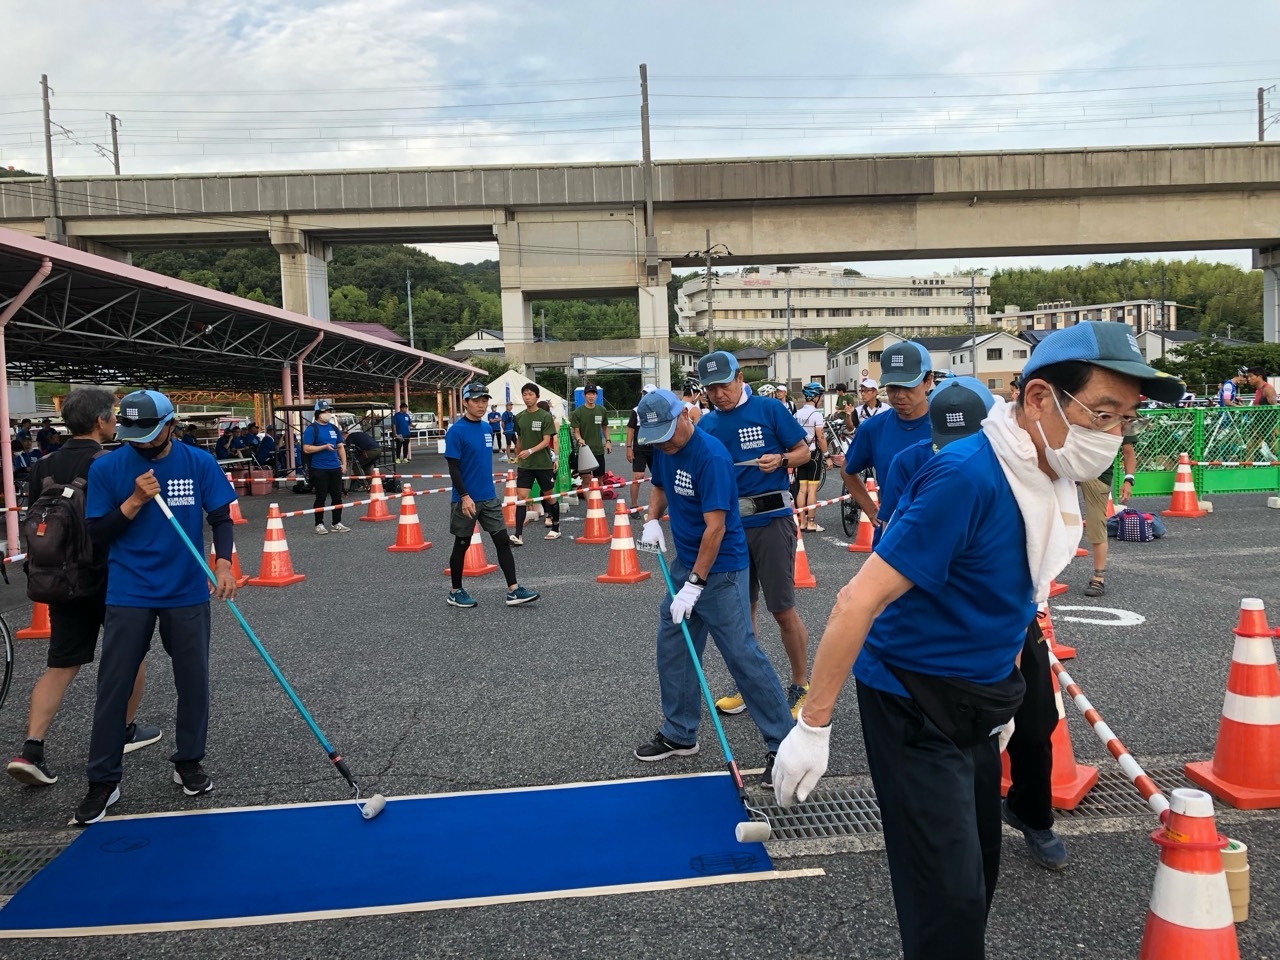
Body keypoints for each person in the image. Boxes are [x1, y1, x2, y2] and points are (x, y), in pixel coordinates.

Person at [773, 322, 1185, 960]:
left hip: (981, 699)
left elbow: (1013, 592)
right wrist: (814, 725)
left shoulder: (1045, 467)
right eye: (1102, 413)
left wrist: (1007, 694)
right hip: (914, 700)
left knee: (981, 872)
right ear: (1041, 398)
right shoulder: (968, 475)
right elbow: (858, 598)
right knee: (949, 898)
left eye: (1125, 417)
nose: (1114, 433)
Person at [74, 389, 240, 824]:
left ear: (171, 424)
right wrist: (133, 502)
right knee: (115, 685)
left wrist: (223, 563)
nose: (142, 442)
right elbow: (97, 532)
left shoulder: (197, 462)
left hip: (186, 589)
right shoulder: (108, 467)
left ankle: (189, 760)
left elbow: (221, 517)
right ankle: (103, 780)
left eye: (150, 433)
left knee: (193, 680)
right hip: (129, 592)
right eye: (133, 434)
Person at [6, 388, 163, 790]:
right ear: (101, 422)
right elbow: (128, 518)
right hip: (111, 576)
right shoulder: (111, 463)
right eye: (113, 416)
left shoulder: (44, 465)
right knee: (131, 656)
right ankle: (124, 731)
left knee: (60, 665)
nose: (116, 423)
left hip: (60, 578)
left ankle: (31, 749)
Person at [633, 389, 793, 783]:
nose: (665, 443)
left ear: (686, 415)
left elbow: (717, 528)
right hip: (684, 564)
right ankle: (679, 733)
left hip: (719, 571)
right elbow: (658, 485)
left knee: (742, 655)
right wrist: (653, 519)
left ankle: (785, 745)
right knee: (674, 646)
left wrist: (694, 584)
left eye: (669, 432)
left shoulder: (712, 456)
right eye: (656, 438)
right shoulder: (663, 447)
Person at [697, 351, 813, 720]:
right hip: (730, 527)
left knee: (782, 609)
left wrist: (780, 460)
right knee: (740, 613)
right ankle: (749, 683)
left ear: (740, 377)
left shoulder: (769, 409)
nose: (719, 394)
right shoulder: (707, 425)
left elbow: (803, 452)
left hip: (772, 519)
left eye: (724, 384)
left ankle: (800, 684)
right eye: (711, 388)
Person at [444, 382, 539, 609]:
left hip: (488, 497)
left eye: (484, 400)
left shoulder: (487, 429)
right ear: (465, 402)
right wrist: (465, 496)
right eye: (475, 400)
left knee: (502, 541)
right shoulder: (456, 431)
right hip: (465, 499)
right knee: (462, 543)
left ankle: (513, 590)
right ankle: (455, 591)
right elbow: (453, 468)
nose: (480, 404)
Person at [841, 342, 935, 545]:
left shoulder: (945, 426)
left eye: (908, 385)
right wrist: (872, 509)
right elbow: (847, 470)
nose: (899, 395)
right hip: (891, 532)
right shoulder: (874, 428)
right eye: (892, 387)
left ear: (928, 380)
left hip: (940, 532)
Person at [877, 377, 996, 529]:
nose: (959, 454)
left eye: (970, 444)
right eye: (948, 445)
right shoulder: (908, 460)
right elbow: (891, 527)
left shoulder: (1010, 458)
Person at [1078, 436, 1138, 598]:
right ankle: (1044, 576)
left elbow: (1128, 451)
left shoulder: (1120, 415)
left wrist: (1128, 480)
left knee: (1096, 523)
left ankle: (1098, 577)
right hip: (1067, 467)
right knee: (1054, 518)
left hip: (1097, 474)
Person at [511, 383, 560, 543]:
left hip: (543, 464)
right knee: (521, 497)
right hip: (525, 466)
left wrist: (531, 451)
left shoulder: (545, 416)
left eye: (530, 394)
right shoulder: (519, 417)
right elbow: (520, 438)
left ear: (537, 396)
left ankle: (556, 527)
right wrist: (517, 454)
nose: (527, 397)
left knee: (549, 496)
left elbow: (547, 441)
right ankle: (518, 534)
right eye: (524, 394)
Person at [303, 400, 349, 535]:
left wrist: (344, 464)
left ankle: (336, 522)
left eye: (329, 411)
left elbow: (340, 447)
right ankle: (319, 523)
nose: (328, 414)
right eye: (325, 411)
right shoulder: (312, 429)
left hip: (334, 466)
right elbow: (306, 448)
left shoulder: (334, 428)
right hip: (319, 467)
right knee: (321, 496)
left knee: (337, 496)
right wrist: (323, 447)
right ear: (318, 413)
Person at [793, 382, 829, 533]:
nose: (820, 399)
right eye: (820, 396)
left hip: (801, 454)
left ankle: (801, 522)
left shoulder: (796, 414)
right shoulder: (816, 415)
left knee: (802, 489)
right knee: (812, 489)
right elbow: (820, 437)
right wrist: (827, 456)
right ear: (814, 397)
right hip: (814, 455)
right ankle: (811, 523)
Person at [625, 384, 659, 512]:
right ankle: (634, 506)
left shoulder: (659, 409)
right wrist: (628, 447)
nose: (646, 396)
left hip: (656, 447)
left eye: (649, 394)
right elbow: (630, 430)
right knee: (638, 476)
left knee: (659, 477)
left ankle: (658, 506)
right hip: (640, 447)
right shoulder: (636, 410)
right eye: (644, 393)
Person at [570, 384, 610, 482]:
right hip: (584, 450)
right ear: (584, 395)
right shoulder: (577, 412)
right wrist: (579, 439)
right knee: (586, 478)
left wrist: (608, 441)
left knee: (599, 479)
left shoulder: (602, 410)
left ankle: (598, 497)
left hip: (598, 449)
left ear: (596, 395)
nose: (591, 396)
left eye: (593, 394)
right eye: (589, 394)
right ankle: (589, 497)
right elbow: (576, 431)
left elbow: (605, 427)